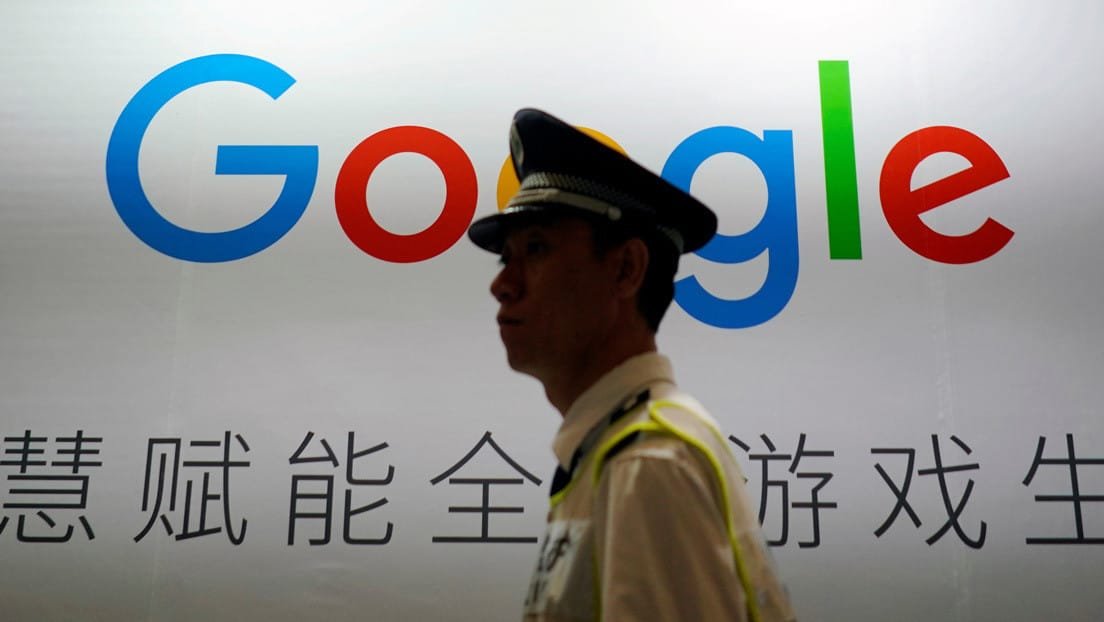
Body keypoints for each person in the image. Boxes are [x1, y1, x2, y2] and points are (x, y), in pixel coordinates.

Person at [467, 108, 796, 622]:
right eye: (505, 257)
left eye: (536, 248)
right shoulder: (619, 450)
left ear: (626, 269)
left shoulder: (648, 465)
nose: (502, 284)